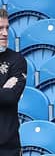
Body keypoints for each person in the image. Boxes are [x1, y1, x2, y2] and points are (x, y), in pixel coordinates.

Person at [0, 8, 27, 155]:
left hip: (8, 148)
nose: (5, 33)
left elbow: (10, 97)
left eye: (7, 28)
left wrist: (6, 93)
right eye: (0, 28)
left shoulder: (16, 60)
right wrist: (3, 90)